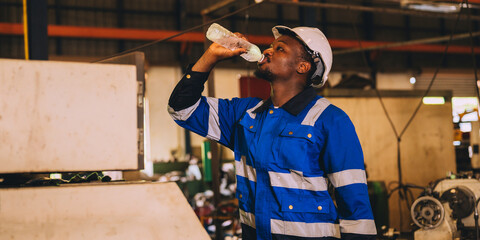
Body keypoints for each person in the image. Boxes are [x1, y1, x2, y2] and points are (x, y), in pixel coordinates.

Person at [168, 25, 377, 240]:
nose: (267, 51)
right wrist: (210, 56)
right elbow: (182, 109)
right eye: (270, 46)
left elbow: (355, 206)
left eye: (280, 49)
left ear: (303, 66)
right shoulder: (245, 115)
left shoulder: (330, 120)